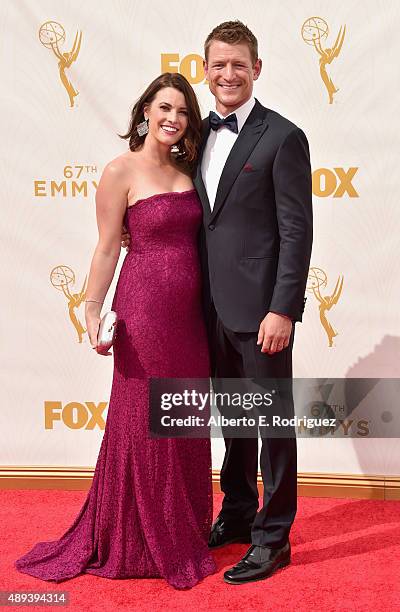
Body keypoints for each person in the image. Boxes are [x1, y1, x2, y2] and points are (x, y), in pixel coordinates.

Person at [122, 20, 313, 586]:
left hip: (262, 315)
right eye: (218, 65)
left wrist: (284, 308)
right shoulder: (195, 136)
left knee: (272, 425)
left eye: (239, 64)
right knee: (233, 421)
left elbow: (296, 233)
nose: (228, 74)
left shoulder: (283, 137)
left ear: (257, 69)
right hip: (202, 311)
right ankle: (236, 512)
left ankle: (273, 537)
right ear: (207, 71)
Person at [15, 72, 217, 590]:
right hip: (143, 311)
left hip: (190, 318)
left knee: (185, 415)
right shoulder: (119, 171)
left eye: (183, 111)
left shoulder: (191, 168)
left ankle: (184, 527)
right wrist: (89, 308)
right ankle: (137, 535)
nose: (173, 118)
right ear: (146, 110)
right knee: (144, 415)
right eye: (164, 107)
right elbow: (107, 247)